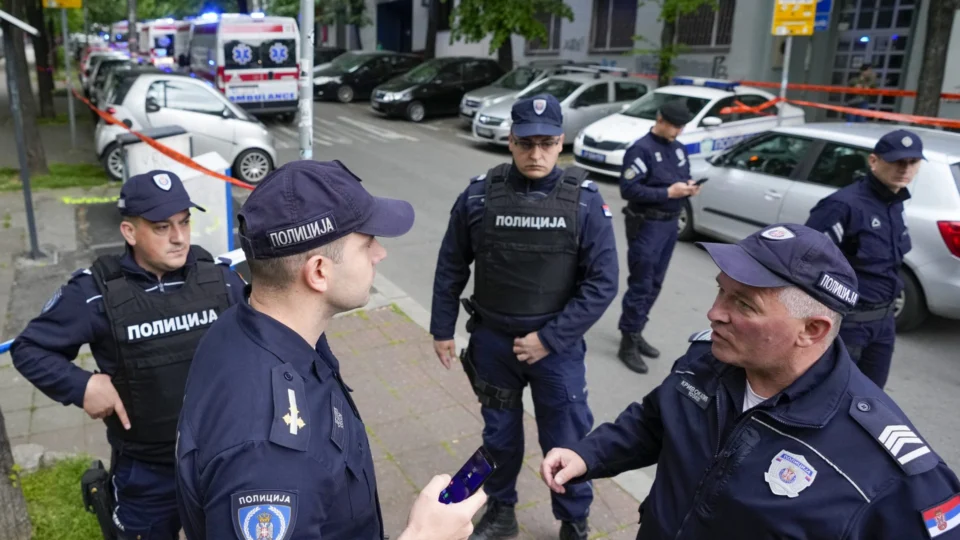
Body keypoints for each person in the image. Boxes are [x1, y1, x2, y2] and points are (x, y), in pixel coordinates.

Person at [539, 223, 960, 539]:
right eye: (721, 291)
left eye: (743, 303)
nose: (714, 313)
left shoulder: (890, 472)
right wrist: (589, 455)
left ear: (811, 330)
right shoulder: (708, 360)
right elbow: (654, 421)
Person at [175, 160, 487, 540]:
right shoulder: (272, 458)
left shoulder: (244, 325)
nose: (380, 255)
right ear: (319, 271)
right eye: (368, 243)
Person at [11, 170, 247, 540]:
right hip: (147, 475)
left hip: (222, 462)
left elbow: (265, 338)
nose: (179, 238)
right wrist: (82, 384)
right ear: (129, 232)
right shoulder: (94, 293)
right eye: (161, 227)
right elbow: (29, 348)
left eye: (185, 223)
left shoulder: (219, 280)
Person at [430, 94, 618, 540]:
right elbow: (451, 265)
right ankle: (500, 511)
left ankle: (574, 520)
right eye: (526, 143)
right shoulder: (478, 196)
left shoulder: (585, 203)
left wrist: (549, 339)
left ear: (561, 142)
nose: (536, 155)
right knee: (499, 434)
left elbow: (602, 283)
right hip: (494, 343)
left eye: (547, 143)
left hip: (556, 349)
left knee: (567, 438)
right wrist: (441, 329)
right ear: (510, 141)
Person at [804, 129, 920, 389]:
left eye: (912, 162)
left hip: (883, 324)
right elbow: (808, 266)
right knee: (830, 398)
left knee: (869, 401)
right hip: (848, 325)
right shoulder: (842, 205)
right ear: (874, 161)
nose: (905, 169)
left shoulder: (895, 203)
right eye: (897, 161)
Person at [616, 100, 701, 374]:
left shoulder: (677, 149)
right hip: (647, 224)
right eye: (674, 125)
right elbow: (629, 189)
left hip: (668, 225)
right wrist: (667, 193)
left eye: (682, 126)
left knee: (655, 284)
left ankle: (637, 329)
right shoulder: (641, 149)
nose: (678, 131)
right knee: (641, 284)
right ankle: (627, 341)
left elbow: (682, 175)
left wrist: (687, 188)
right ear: (660, 119)